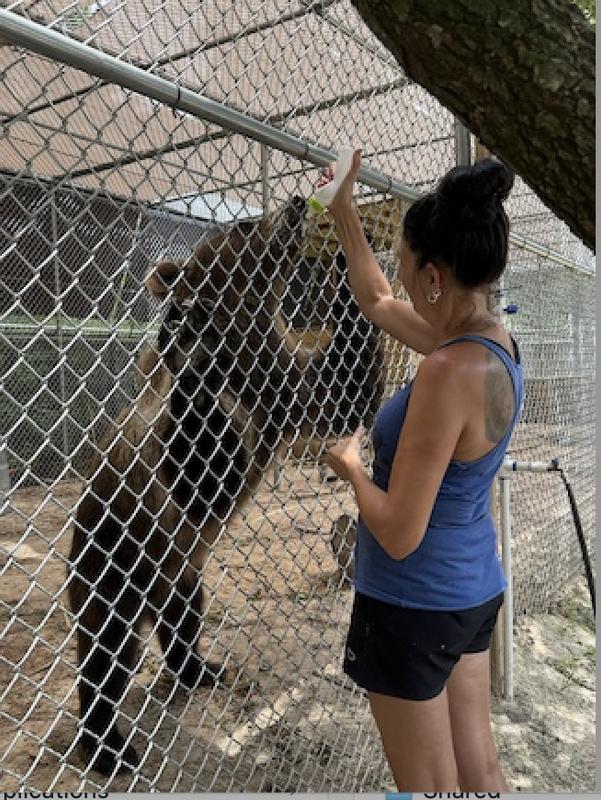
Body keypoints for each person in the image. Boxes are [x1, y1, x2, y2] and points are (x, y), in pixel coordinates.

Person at [319, 150, 522, 792]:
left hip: (413, 601)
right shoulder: (491, 346)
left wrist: (353, 468)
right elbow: (376, 301)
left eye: (407, 271)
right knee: (478, 768)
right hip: (471, 591)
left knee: (429, 786)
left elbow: (400, 532)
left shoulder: (444, 370)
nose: (400, 281)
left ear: (435, 278)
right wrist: (343, 210)